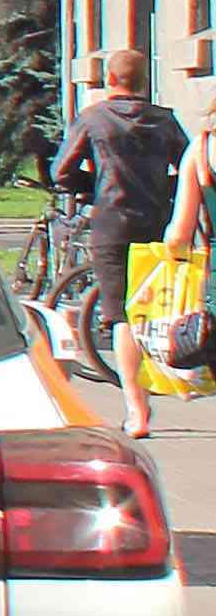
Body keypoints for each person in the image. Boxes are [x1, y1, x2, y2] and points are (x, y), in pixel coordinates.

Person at [48, 49, 184, 381]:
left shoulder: (94, 118)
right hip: (157, 223)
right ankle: (163, 377)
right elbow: (188, 165)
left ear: (110, 79)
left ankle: (136, 407)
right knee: (151, 305)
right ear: (144, 81)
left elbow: (61, 171)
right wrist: (165, 191)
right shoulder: (165, 119)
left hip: (111, 224)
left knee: (120, 313)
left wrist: (93, 186)